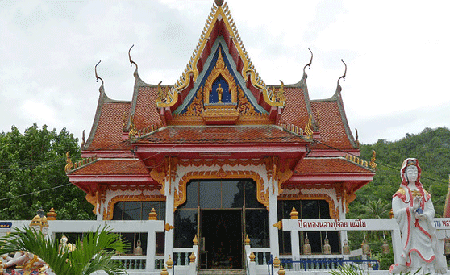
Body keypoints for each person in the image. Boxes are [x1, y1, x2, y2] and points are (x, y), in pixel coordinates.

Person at [390, 158, 447, 274]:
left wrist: (425, 215)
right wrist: (411, 209)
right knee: (414, 254)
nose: (413, 175)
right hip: (412, 231)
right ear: (404, 174)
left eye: (415, 172)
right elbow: (396, 213)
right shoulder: (400, 194)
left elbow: (431, 210)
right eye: (410, 172)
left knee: (429, 252)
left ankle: (428, 271)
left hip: (425, 229)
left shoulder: (424, 193)